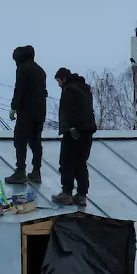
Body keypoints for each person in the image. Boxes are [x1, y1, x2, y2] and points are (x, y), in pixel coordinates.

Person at [52, 67, 98, 207]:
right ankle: (82, 195)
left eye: (59, 81)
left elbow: (67, 111)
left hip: (74, 132)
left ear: (63, 78)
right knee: (81, 163)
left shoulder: (69, 90)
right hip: (88, 132)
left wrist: (68, 127)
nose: (59, 84)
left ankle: (67, 193)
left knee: (67, 162)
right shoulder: (85, 90)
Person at [5, 45, 47, 184]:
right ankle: (36, 172)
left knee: (20, 140)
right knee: (36, 141)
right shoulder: (40, 70)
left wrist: (14, 107)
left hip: (26, 111)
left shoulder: (22, 69)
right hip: (40, 111)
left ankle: (20, 171)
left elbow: (20, 89)